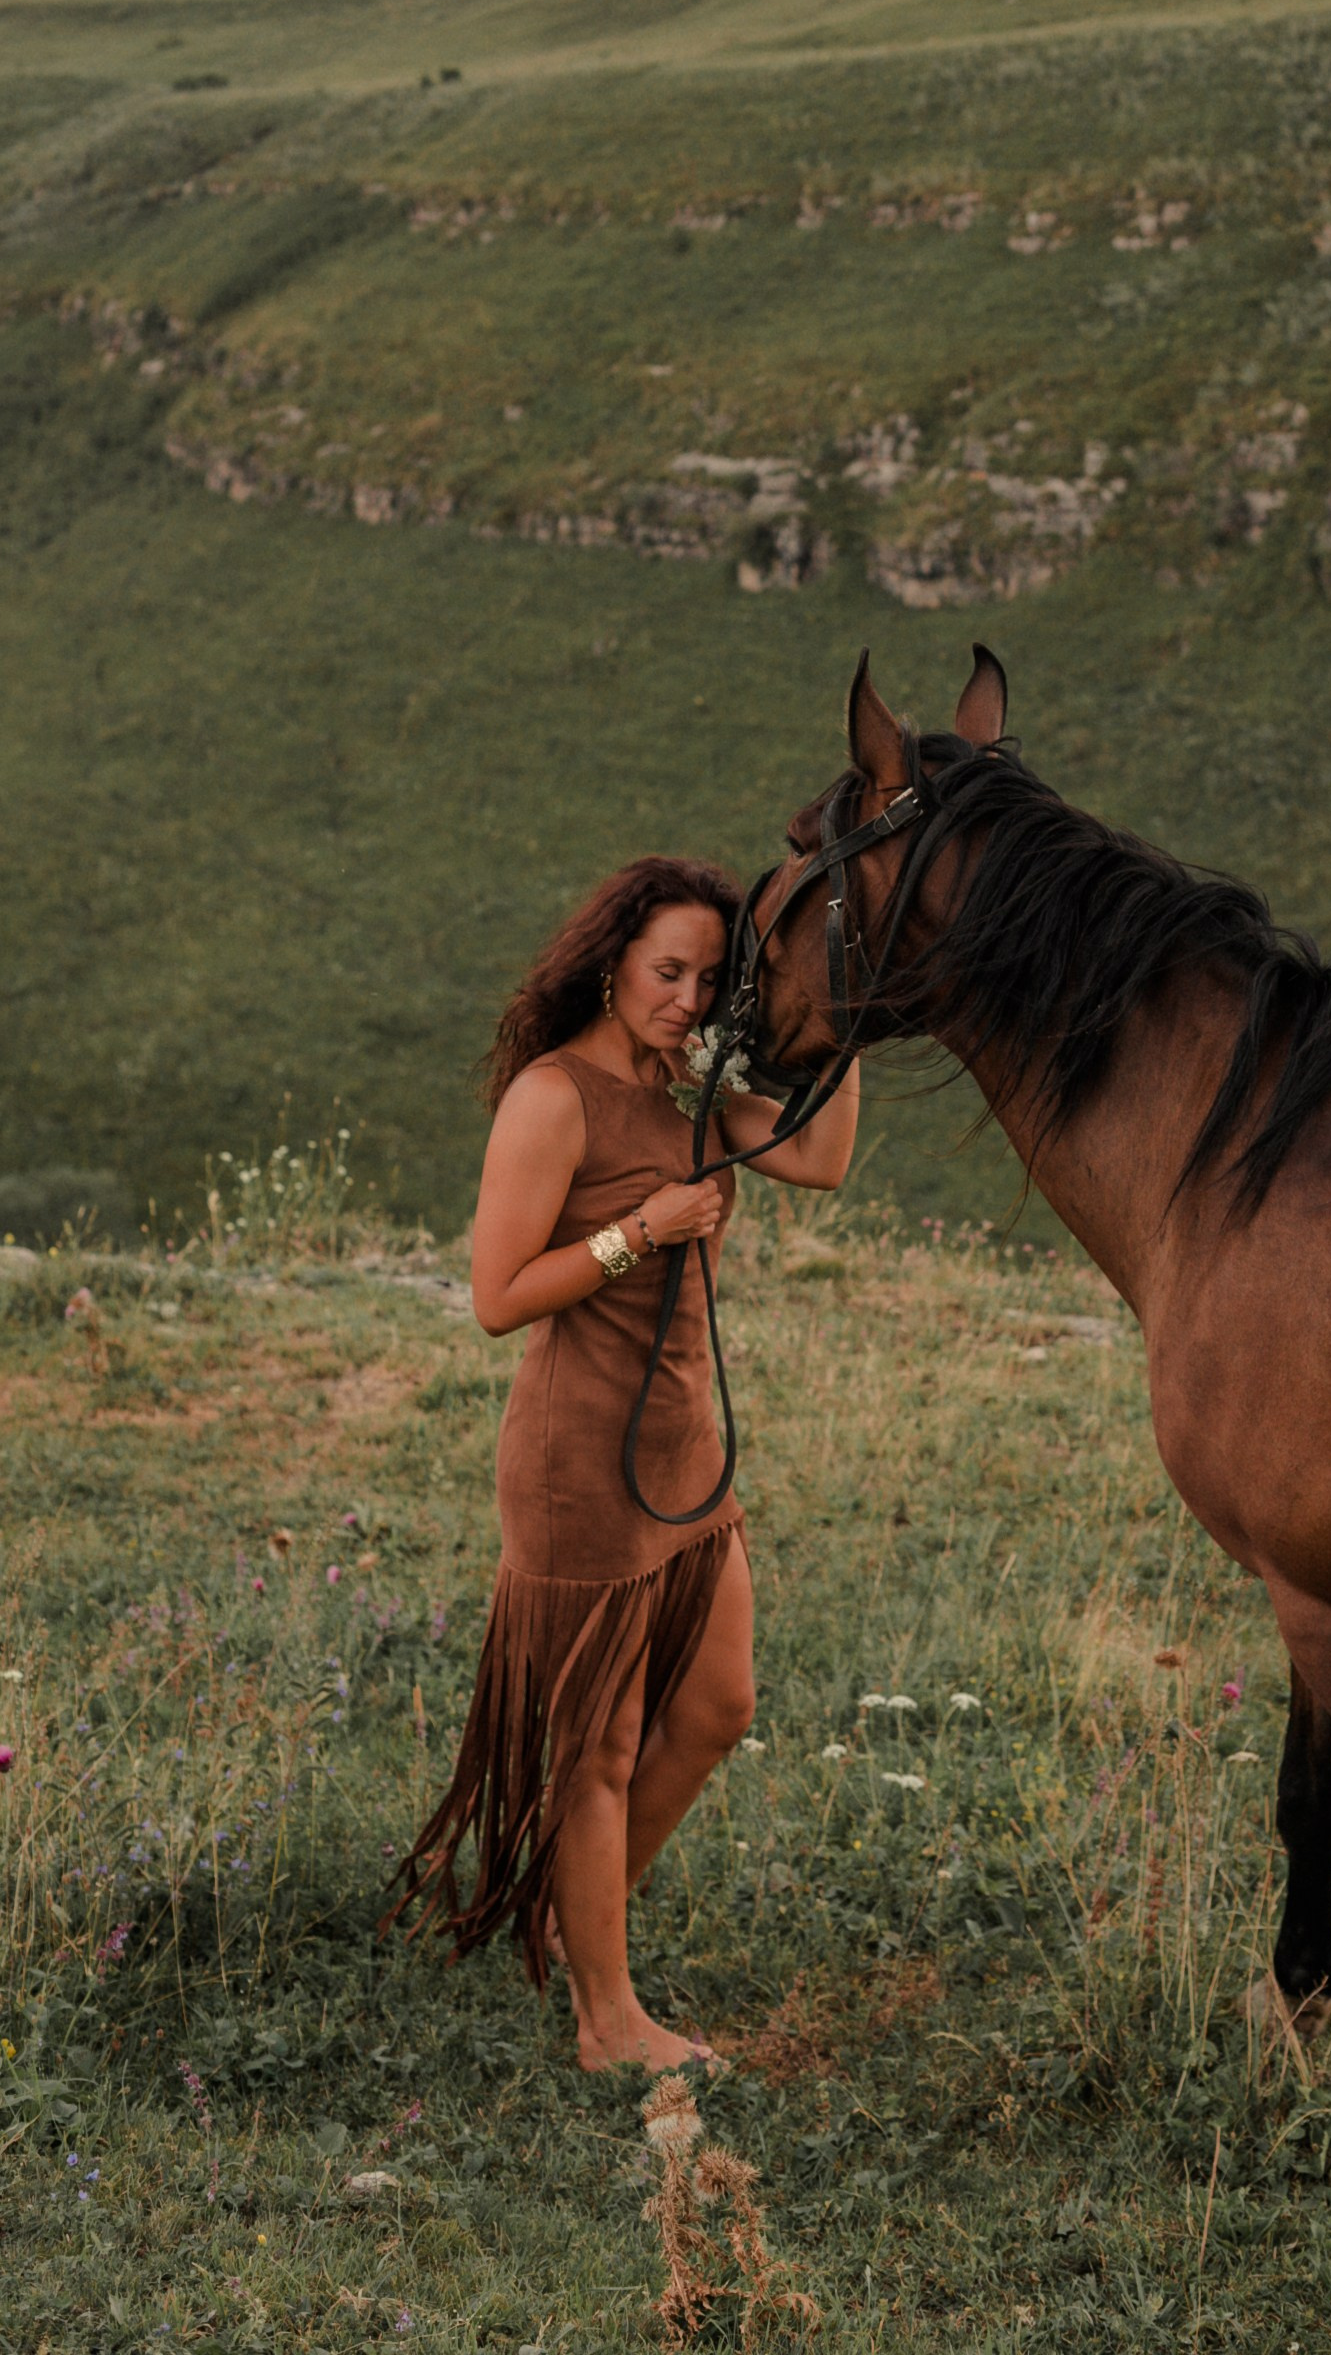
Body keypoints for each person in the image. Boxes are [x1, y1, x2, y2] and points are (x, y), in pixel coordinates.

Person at [393, 854, 858, 2068]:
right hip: (578, 1462)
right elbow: (497, 1297)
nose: (689, 1000)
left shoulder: (686, 1089)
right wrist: (631, 1234)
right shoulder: (556, 1097)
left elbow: (818, 1159)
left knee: (715, 1706)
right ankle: (608, 2020)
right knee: (594, 1749)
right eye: (667, 972)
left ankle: (567, 1910)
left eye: (709, 979)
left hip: (686, 1454)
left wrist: (851, 1016)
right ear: (612, 962)